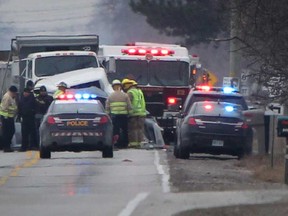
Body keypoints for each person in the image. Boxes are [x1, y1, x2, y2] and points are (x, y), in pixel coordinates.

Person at [105, 79, 132, 148]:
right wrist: (130, 114)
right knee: (125, 129)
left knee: (116, 130)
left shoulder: (111, 96)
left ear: (113, 87)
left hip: (115, 116)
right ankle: (125, 143)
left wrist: (107, 115)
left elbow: (107, 107)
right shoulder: (125, 95)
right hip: (124, 116)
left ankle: (117, 143)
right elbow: (129, 106)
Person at [122, 79, 146, 148]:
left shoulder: (130, 92)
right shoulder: (139, 91)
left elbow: (128, 103)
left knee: (133, 129)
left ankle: (133, 144)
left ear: (127, 85)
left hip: (133, 114)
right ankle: (140, 143)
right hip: (142, 113)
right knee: (140, 129)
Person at [0, 86, 18, 152]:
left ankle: (8, 146)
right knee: (7, 133)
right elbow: (4, 108)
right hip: (6, 118)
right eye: (15, 93)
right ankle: (6, 147)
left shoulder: (11, 97)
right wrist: (6, 117)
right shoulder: (7, 97)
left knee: (11, 131)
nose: (15, 94)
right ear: (12, 92)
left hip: (10, 117)